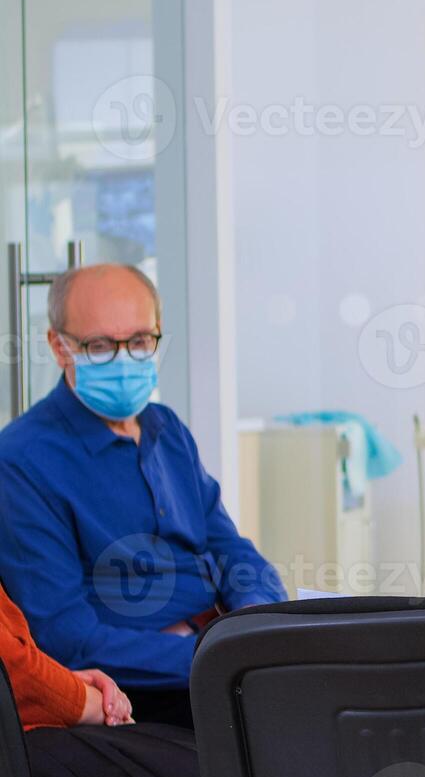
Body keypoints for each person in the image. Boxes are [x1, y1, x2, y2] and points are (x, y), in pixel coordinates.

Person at [0, 264, 287, 729]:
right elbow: (66, 638)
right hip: (140, 696)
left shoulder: (165, 427)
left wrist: (256, 614)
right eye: (98, 346)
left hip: (223, 654)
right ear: (59, 347)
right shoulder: (21, 462)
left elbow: (229, 547)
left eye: (138, 342)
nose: (123, 361)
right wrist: (217, 655)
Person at [0, 577, 212, 777]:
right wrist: (91, 702)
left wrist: (67, 680)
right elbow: (20, 666)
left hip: (51, 702)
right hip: (22, 743)